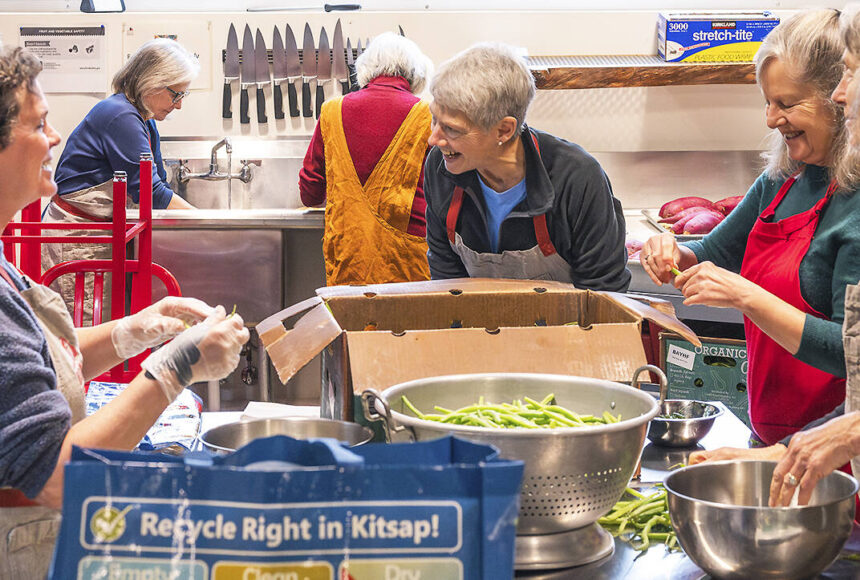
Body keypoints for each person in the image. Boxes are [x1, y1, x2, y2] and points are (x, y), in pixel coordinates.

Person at [0, 46, 249, 577]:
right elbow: (58, 477)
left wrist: (135, 330)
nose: (57, 138)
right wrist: (174, 369)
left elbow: (45, 358)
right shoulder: (119, 114)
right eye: (40, 124)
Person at [642, 9, 860, 450]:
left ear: (838, 100)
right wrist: (672, 253)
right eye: (767, 101)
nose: (770, 119)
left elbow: (847, 354)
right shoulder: (781, 183)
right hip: (767, 440)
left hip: (832, 452)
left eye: (787, 103)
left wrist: (747, 296)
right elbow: (708, 253)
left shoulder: (853, 208)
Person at [423, 42, 629, 289]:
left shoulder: (577, 179)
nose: (433, 139)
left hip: (568, 326)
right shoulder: (441, 167)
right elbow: (447, 281)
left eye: (452, 130)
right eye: (435, 119)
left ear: (504, 130)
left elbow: (604, 293)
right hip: (475, 323)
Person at [42, 37, 197, 317]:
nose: (179, 106)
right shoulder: (120, 115)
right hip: (79, 238)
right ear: (153, 83)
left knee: (98, 326)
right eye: (176, 95)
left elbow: (156, 180)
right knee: (83, 327)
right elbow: (151, 193)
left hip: (97, 236)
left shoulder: (143, 119)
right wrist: (202, 219)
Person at [299, 32, 433, 285]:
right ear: (415, 73)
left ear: (365, 70)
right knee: (410, 321)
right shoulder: (427, 114)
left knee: (351, 321)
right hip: (407, 258)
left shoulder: (332, 111)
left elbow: (310, 192)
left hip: (349, 255)